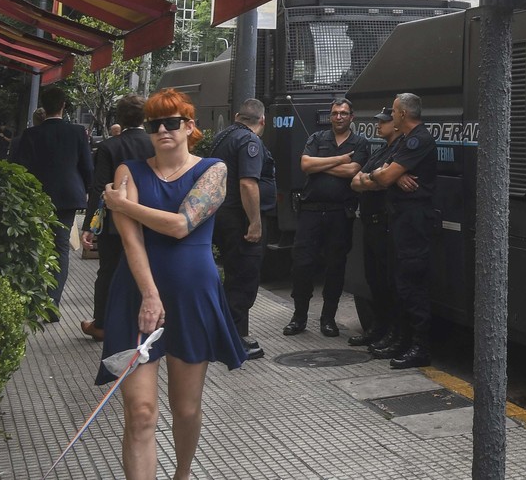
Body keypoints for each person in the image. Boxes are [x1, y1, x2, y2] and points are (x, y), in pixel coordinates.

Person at [98, 88, 244, 480]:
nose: (162, 129)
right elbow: (132, 240)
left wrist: (123, 205)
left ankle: (181, 474)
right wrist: (149, 293)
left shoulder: (213, 169)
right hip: (137, 293)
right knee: (141, 412)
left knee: (186, 408)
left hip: (192, 294)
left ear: (189, 126)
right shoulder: (128, 170)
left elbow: (181, 225)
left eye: (172, 122)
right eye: (154, 123)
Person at [356, 93, 436, 369]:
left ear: (402, 114)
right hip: (401, 221)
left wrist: (389, 174)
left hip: (414, 222)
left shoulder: (418, 139)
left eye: (393, 111)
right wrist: (391, 173)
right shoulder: (403, 141)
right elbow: (384, 174)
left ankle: (420, 347)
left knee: (412, 285)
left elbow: (385, 177)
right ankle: (403, 340)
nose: (391, 115)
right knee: (400, 283)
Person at [283, 97, 369, 337]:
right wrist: (340, 160)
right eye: (334, 113)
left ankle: (328, 320)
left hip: (339, 214)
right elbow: (305, 164)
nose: (338, 117)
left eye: (343, 113)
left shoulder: (360, 142)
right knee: (302, 265)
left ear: (352, 117)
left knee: (335, 267)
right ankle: (298, 317)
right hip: (310, 212)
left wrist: (322, 165)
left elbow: (354, 170)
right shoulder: (317, 138)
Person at [8, 87, 93, 310]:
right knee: (61, 246)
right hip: (68, 197)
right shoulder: (77, 132)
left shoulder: (31, 135)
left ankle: (32, 296)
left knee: (34, 244)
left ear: (43, 108)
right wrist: (86, 191)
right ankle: (52, 302)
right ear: (63, 105)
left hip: (37, 197)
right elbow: (87, 167)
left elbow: (20, 169)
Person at [80, 94, 154, 341]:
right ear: (146, 117)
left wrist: (90, 225)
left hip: (115, 223)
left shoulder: (109, 146)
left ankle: (101, 323)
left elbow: (99, 187)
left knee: (108, 271)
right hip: (150, 220)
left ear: (119, 118)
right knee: (148, 269)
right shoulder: (155, 144)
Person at [208, 100, 274, 360]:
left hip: (223, 217)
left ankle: (230, 335)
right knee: (243, 282)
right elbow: (248, 184)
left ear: (237, 116)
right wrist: (255, 222)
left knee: (233, 278)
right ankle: (231, 341)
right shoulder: (250, 142)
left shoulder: (222, 137)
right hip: (240, 221)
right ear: (262, 121)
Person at [347, 107, 403, 350]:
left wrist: (371, 179)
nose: (378, 125)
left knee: (387, 281)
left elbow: (383, 182)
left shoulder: (399, 151)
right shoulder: (380, 151)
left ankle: (391, 332)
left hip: (385, 224)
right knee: (374, 281)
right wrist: (373, 178)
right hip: (370, 223)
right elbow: (355, 181)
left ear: (397, 124)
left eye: (384, 121)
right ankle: (378, 328)